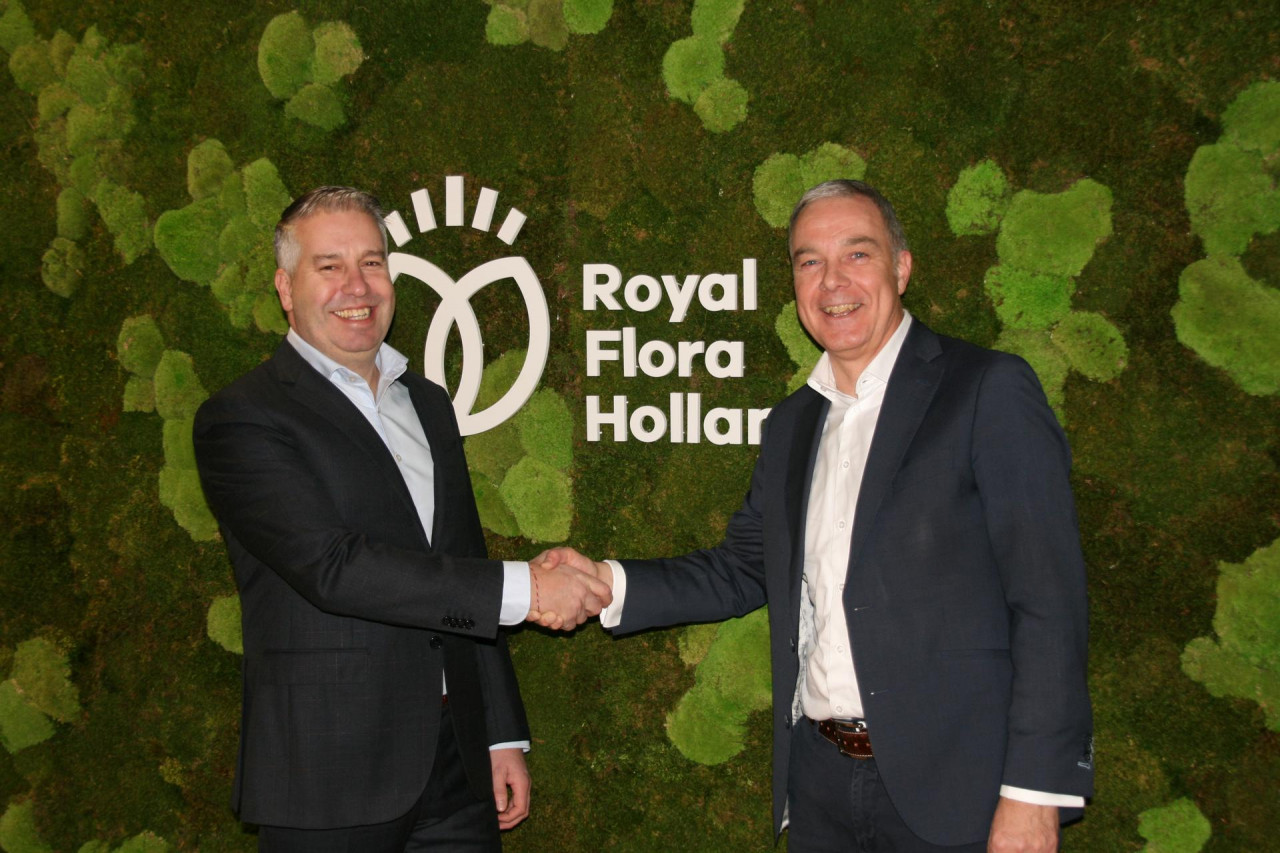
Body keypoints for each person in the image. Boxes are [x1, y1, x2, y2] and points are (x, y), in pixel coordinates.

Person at [542, 180, 1093, 852]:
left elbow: (1047, 598)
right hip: (821, 787)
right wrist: (605, 582)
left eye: (857, 254)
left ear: (901, 267)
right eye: (810, 261)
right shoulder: (792, 424)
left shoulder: (986, 388)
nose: (833, 281)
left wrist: (1034, 791)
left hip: (959, 792)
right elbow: (743, 567)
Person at [193, 186, 610, 852]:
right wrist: (529, 589)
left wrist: (498, 732)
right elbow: (333, 567)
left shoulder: (428, 402)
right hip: (329, 773)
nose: (356, 286)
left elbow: (461, 559)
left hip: (458, 765)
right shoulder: (244, 418)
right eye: (329, 266)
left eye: (372, 262)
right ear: (285, 287)